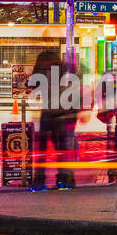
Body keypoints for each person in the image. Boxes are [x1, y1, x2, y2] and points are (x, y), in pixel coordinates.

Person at [27, 48, 79, 191]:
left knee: (41, 149)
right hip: (62, 113)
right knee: (62, 148)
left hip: (47, 112)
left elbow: (32, 85)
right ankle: (63, 180)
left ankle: (39, 181)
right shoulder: (62, 70)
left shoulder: (42, 66)